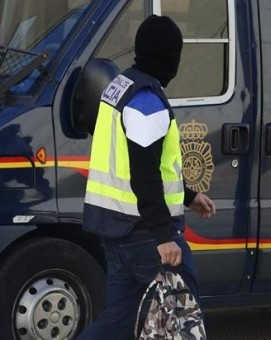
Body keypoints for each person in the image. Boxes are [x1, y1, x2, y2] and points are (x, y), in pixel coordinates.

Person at [78, 15, 215, 339]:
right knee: (184, 317)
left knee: (121, 322)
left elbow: (137, 164)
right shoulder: (147, 101)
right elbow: (143, 172)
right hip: (143, 233)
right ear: (169, 55)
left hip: (115, 227)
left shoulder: (121, 86)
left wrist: (188, 196)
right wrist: (163, 236)